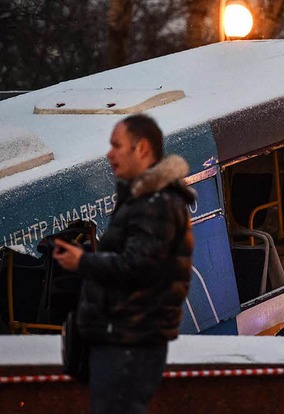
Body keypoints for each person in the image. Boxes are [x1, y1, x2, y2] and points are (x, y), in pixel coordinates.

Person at [53, 114, 195, 414]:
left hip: (130, 342)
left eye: (117, 145)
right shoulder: (143, 199)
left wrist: (84, 261)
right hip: (123, 339)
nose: (110, 153)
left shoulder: (156, 204)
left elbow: (139, 268)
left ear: (141, 149)